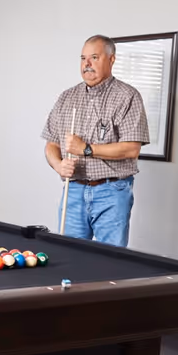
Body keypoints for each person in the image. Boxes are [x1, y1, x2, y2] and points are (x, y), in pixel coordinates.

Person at [41, 35, 150, 247]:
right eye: (83, 58)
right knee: (68, 255)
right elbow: (51, 144)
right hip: (73, 189)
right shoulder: (67, 97)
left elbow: (131, 149)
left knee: (111, 262)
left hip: (112, 191)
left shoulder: (127, 96)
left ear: (111, 60)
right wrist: (58, 165)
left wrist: (86, 149)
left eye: (94, 57)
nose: (87, 64)